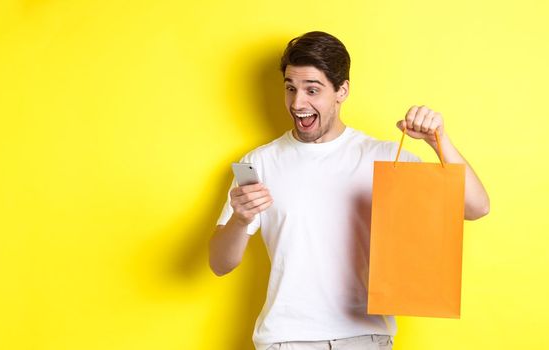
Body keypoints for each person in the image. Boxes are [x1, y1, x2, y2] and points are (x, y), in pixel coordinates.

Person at [209, 31, 490, 350]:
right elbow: (220, 264)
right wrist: (241, 220)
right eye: (290, 89)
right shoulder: (260, 163)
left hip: (366, 337)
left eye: (312, 90)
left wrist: (439, 141)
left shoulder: (382, 157)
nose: (298, 103)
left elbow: (476, 207)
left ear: (342, 90)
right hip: (286, 339)